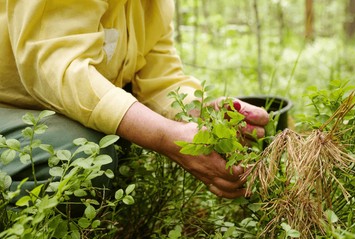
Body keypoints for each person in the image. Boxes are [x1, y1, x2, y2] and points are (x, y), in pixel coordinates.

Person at [0, 0, 268, 199]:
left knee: (117, 141)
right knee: (82, 153)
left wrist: (200, 112)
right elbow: (61, 71)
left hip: (43, 111)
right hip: (7, 106)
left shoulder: (153, 5)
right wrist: (166, 137)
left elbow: (159, 79)